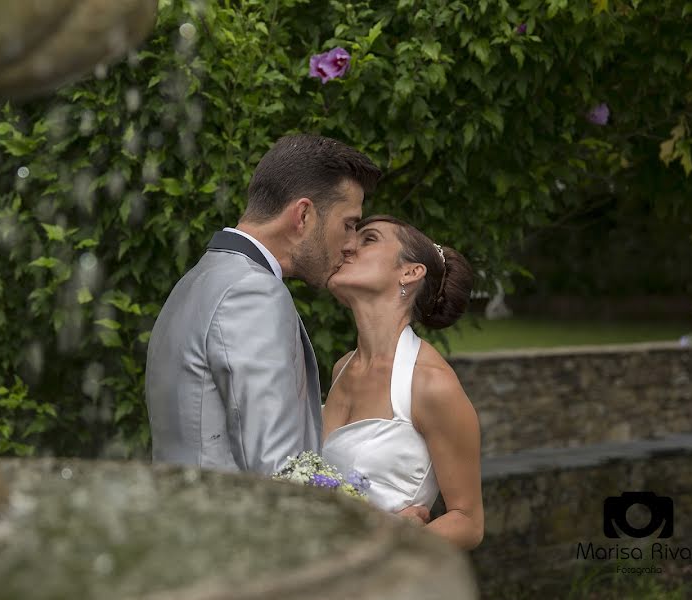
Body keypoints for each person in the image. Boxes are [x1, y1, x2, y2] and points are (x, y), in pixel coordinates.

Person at [145, 134, 380, 475]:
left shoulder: (195, 281)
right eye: (348, 225)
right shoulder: (254, 293)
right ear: (303, 216)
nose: (350, 244)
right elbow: (278, 472)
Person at [323, 215, 484, 550]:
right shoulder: (341, 369)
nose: (348, 245)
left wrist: (394, 542)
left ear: (410, 272)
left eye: (369, 239)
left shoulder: (429, 384)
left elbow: (468, 521)